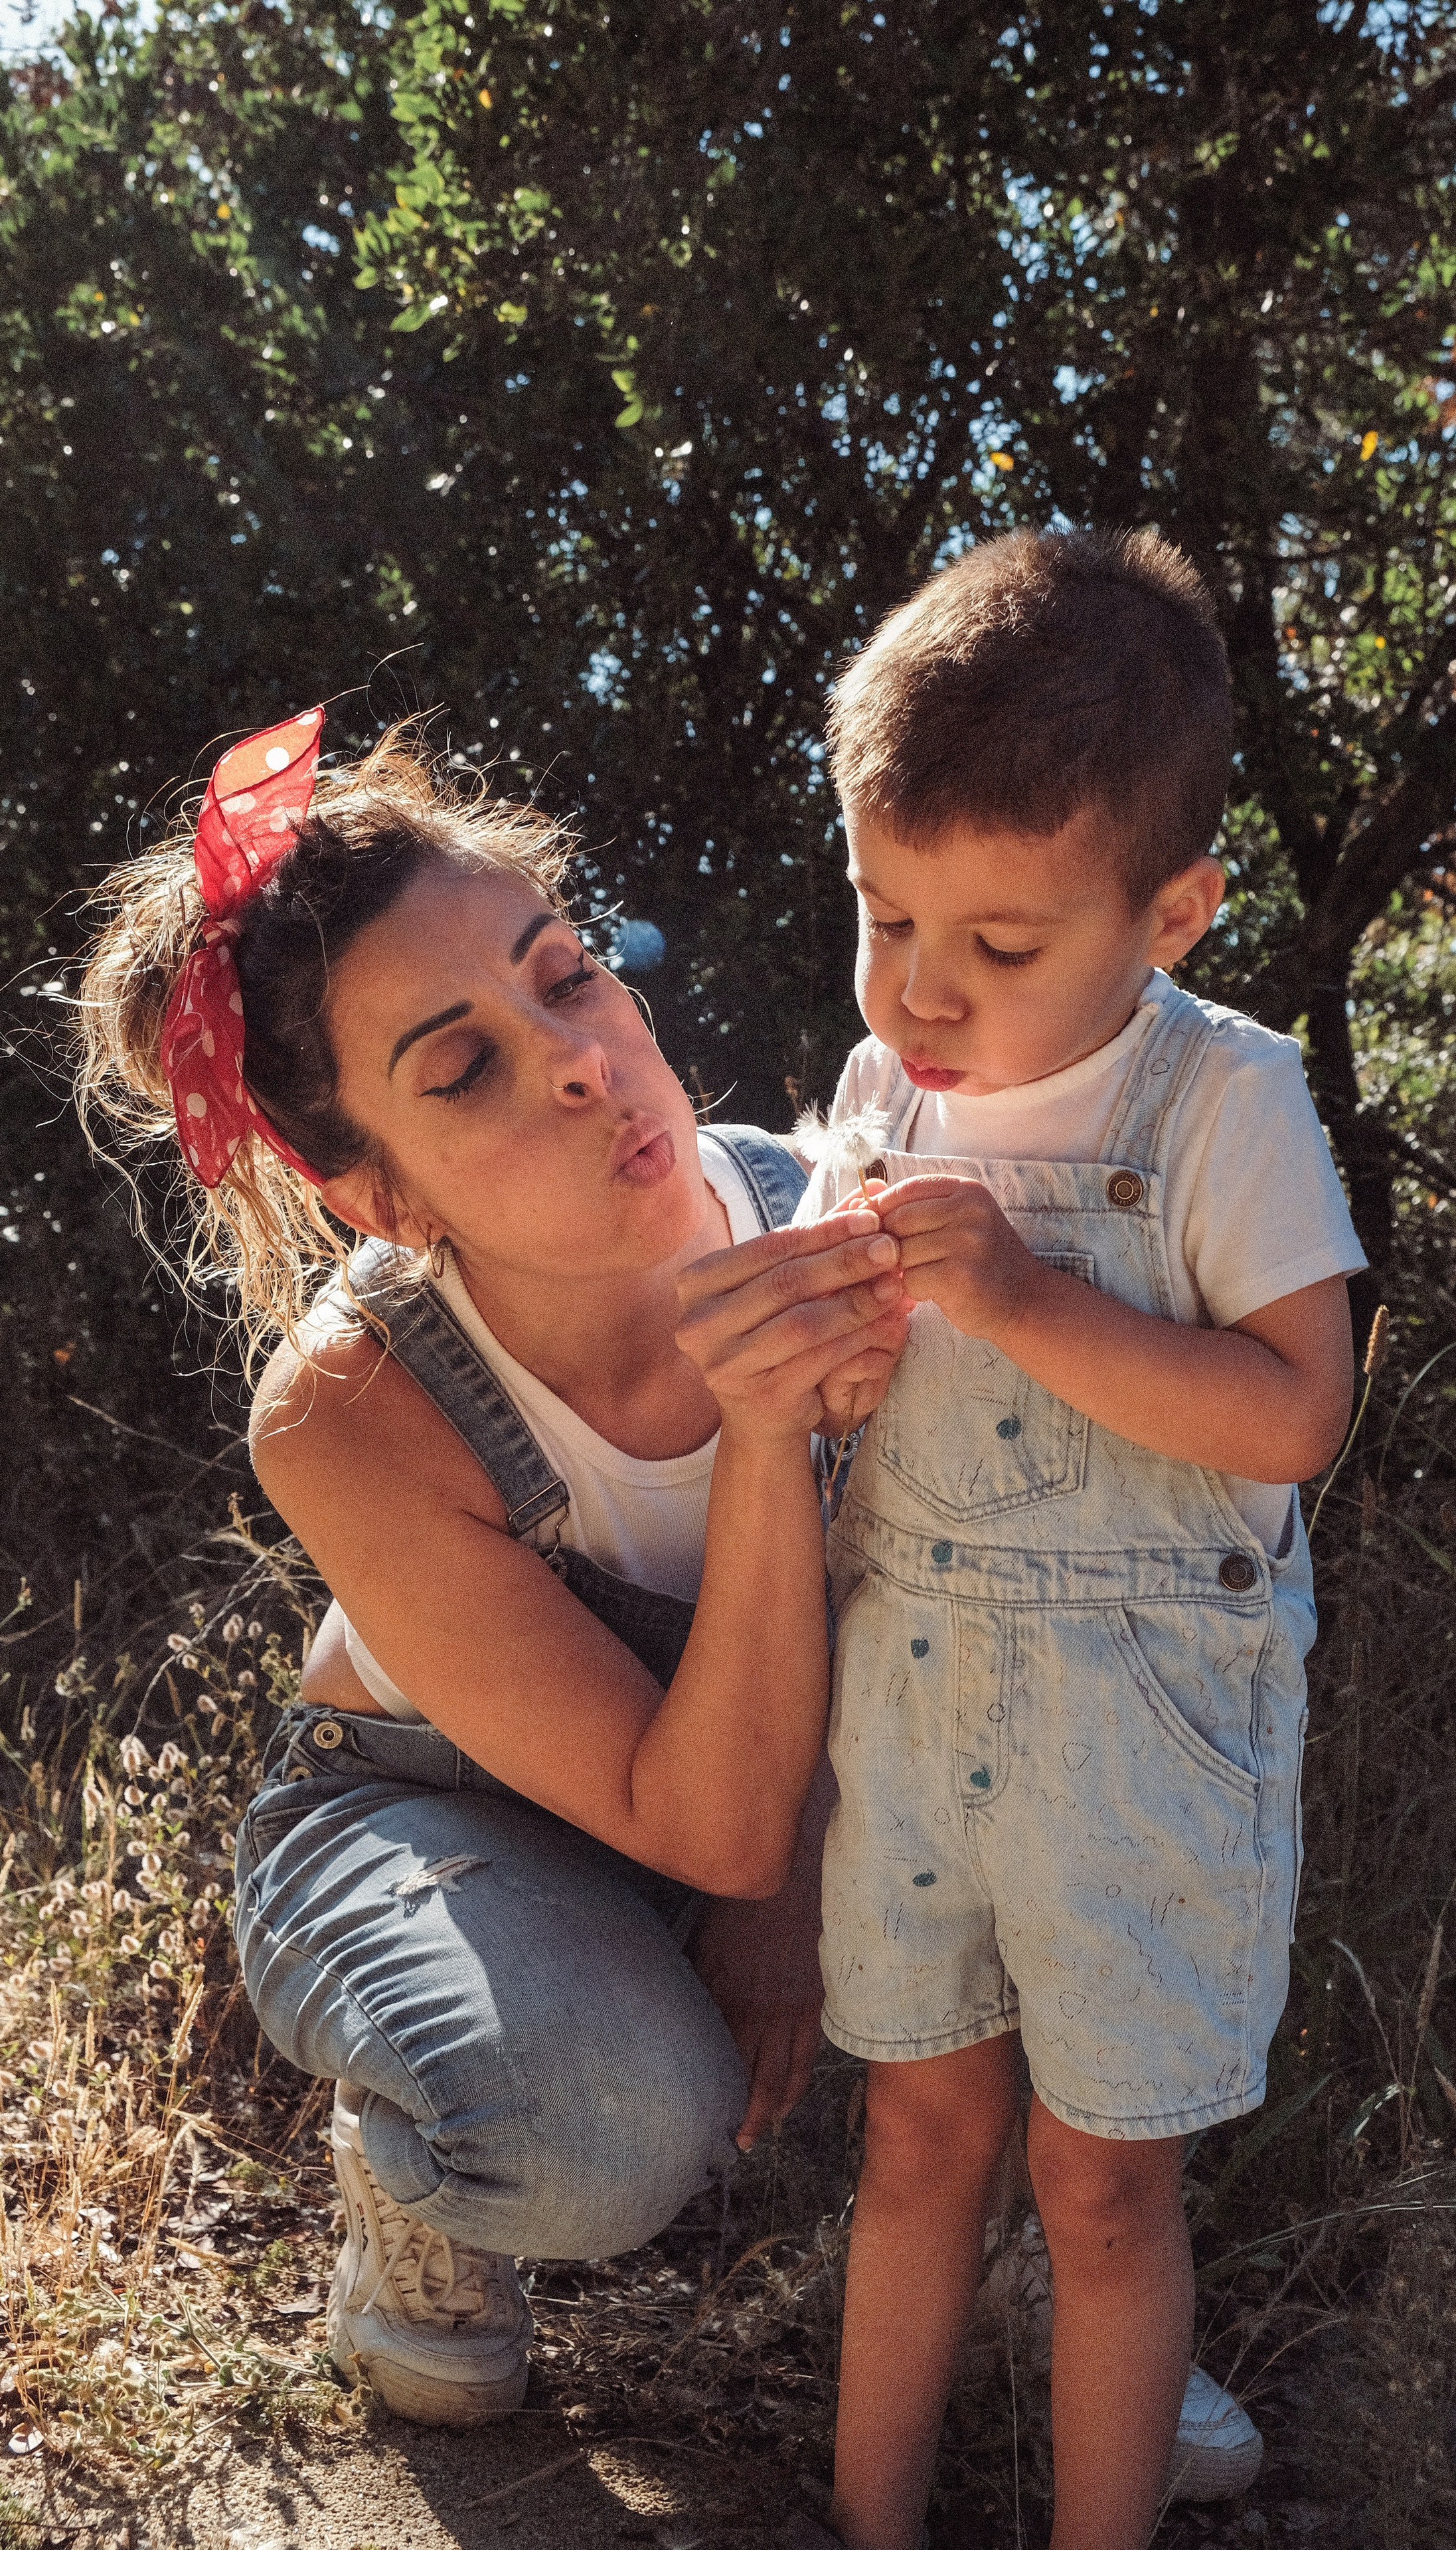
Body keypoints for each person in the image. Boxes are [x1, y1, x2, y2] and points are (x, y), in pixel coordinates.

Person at [76, 710, 910, 2426]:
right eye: (461, 1071)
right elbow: (719, 1829)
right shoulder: (352, 1405)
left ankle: (1075, 2266)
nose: (579, 1061)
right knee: (606, 2131)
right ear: (381, 1196)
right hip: (424, 1814)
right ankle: (420, 2173)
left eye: (567, 975)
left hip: (755, 1787)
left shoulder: (842, 1206)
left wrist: (788, 1893)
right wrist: (765, 1433)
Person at [797, 529, 1366, 2550]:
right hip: (915, 1701)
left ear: (1172, 913)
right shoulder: (882, 1090)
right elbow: (847, 1411)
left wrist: (1027, 1301)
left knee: (1105, 2183)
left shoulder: (1225, 1102)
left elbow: (1296, 1414)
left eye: (1002, 944)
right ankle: (869, 2522)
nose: (923, 990)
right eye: (885, 916)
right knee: (916, 2130)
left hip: (1148, 1742)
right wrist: (830, 1362)